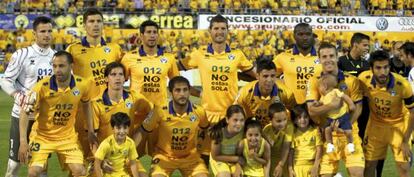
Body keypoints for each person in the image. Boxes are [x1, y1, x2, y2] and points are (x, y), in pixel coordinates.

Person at [178, 14, 256, 162]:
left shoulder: (237, 55)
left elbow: (255, 77)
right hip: (207, 115)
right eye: (216, 28)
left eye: (223, 28)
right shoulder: (199, 54)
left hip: (231, 115)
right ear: (210, 30)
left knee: (233, 159)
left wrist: (239, 77)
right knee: (203, 159)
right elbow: (175, 72)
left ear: (228, 31)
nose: (219, 32)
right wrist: (194, 92)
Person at [18, 51, 92, 177]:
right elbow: (24, 112)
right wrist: (23, 142)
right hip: (42, 137)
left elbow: (86, 104)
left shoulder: (82, 84)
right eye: (54, 66)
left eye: (61, 66)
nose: (57, 70)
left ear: (71, 66)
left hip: (67, 138)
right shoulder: (41, 86)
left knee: (80, 171)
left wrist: (90, 130)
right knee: (33, 172)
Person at [66, 7, 123, 167]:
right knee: (81, 162)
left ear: (103, 24)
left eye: (99, 21)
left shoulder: (114, 49)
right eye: (91, 21)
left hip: (109, 111)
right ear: (85, 25)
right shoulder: (73, 49)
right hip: (83, 112)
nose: (95, 24)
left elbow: (126, 73)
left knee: (111, 161)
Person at [0, 16, 55, 177]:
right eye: (42, 31)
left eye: (49, 31)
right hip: (21, 115)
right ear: (34, 34)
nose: (47, 35)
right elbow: (5, 80)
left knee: (41, 166)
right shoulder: (22, 54)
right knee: (14, 165)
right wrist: (17, 95)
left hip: (44, 119)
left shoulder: (57, 57)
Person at [306, 42, 365, 177]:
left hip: (350, 134)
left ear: (337, 56)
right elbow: (311, 111)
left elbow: (358, 108)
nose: (328, 59)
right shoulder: (314, 81)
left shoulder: (351, 80)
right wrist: (330, 108)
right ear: (319, 59)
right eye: (324, 56)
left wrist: (344, 125)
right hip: (328, 136)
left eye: (331, 55)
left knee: (357, 174)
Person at [135, 76, 210, 177]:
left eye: (185, 90)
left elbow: (206, 131)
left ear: (189, 91)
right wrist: (129, 153)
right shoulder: (159, 110)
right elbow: (142, 130)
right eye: (177, 90)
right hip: (164, 157)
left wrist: (202, 150)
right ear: (171, 92)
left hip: (190, 157)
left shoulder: (199, 111)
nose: (182, 94)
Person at [359, 50, 414, 177]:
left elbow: (412, 113)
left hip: (399, 125)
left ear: (390, 67)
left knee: (404, 167)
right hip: (375, 126)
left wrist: (405, 141)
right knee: (368, 165)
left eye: (386, 67)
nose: (382, 72)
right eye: (378, 68)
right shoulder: (363, 79)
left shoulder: (402, 84)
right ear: (371, 69)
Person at [91, 62, 151, 176]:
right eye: (113, 74)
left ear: (125, 79)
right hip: (106, 157)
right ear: (106, 79)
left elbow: (153, 112)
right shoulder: (96, 104)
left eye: (120, 74)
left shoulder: (135, 98)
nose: (117, 77)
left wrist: (142, 130)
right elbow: (92, 137)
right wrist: (100, 161)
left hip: (127, 156)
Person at [121, 20, 179, 107]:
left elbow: (177, 83)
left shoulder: (169, 58)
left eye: (155, 32)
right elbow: (117, 82)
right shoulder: (129, 57)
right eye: (148, 32)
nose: (152, 35)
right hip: (137, 110)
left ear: (158, 35)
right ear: (141, 35)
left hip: (160, 111)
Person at [235, 58, 296, 126]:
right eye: (265, 76)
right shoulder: (244, 92)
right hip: (254, 131)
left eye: (272, 76)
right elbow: (235, 115)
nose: (269, 80)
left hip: (278, 130)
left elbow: (295, 114)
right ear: (257, 76)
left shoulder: (287, 93)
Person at [272, 23, 321, 105]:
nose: (305, 38)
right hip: (291, 108)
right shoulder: (282, 57)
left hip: (317, 108)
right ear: (294, 36)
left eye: (308, 34)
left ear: (312, 36)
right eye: (300, 34)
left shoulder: (323, 57)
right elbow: (266, 75)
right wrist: (280, 85)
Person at [94, 112, 142, 177]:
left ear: (128, 129)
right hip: (109, 174)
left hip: (124, 174)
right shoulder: (106, 143)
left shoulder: (130, 143)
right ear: (113, 128)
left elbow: (133, 164)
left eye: (125, 128)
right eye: (118, 128)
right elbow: (97, 163)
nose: (121, 131)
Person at [318, 74, 356, 153]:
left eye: (319, 87)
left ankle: (350, 143)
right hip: (331, 118)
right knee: (327, 130)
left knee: (348, 131)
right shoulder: (323, 97)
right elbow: (320, 103)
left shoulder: (335, 91)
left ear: (325, 86)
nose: (318, 89)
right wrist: (316, 104)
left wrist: (351, 104)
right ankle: (330, 144)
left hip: (342, 115)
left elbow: (345, 97)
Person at [209, 105, 246, 177]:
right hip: (219, 159)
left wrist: (238, 167)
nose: (239, 124)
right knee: (225, 175)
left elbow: (241, 156)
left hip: (235, 161)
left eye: (242, 120)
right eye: (235, 120)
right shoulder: (218, 133)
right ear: (227, 119)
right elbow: (215, 156)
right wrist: (237, 159)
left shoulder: (244, 131)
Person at [288, 105, 322, 177]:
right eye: (299, 117)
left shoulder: (315, 131)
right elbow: (291, 152)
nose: (303, 120)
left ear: (309, 117)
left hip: (311, 166)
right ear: (294, 120)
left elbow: (319, 149)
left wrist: (316, 166)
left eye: (305, 117)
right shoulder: (293, 133)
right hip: (297, 167)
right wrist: (290, 169)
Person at [262, 103, 291, 177]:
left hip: (283, 162)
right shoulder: (266, 129)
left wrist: (280, 165)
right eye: (278, 121)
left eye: (285, 119)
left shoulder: (288, 128)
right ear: (270, 120)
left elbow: (286, 148)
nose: (282, 123)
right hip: (270, 162)